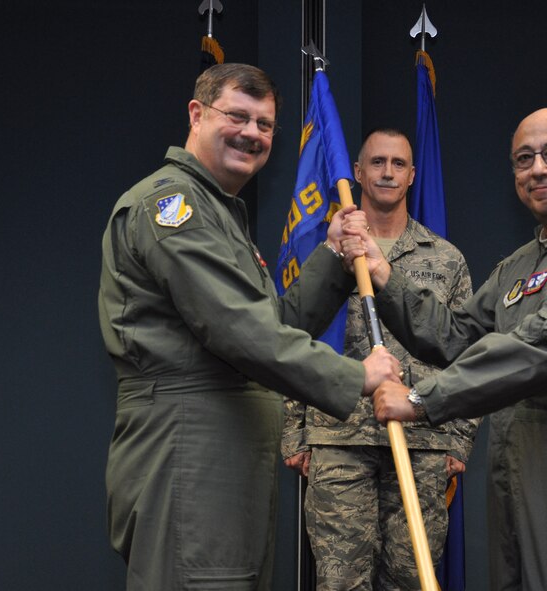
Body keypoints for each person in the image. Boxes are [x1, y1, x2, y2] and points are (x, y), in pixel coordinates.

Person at [98, 63, 401, 590]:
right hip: (191, 446)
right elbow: (239, 331)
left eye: (264, 125)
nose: (252, 134)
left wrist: (331, 253)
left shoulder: (219, 213)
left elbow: (271, 322)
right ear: (197, 114)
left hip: (225, 451)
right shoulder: (173, 206)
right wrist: (358, 377)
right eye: (237, 116)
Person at [353, 108, 547, 590]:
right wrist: (384, 274)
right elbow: (455, 335)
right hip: (518, 473)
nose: (538, 169)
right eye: (524, 159)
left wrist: (423, 400)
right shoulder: (521, 264)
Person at [281, 128, 479, 590]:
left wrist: (460, 439)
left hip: (421, 441)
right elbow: (289, 341)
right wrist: (295, 432)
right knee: (340, 582)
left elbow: (468, 352)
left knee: (412, 579)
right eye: (376, 162)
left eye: (397, 164)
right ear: (357, 172)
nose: (387, 172)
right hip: (337, 437)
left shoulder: (446, 259)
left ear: (412, 175)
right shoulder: (328, 254)